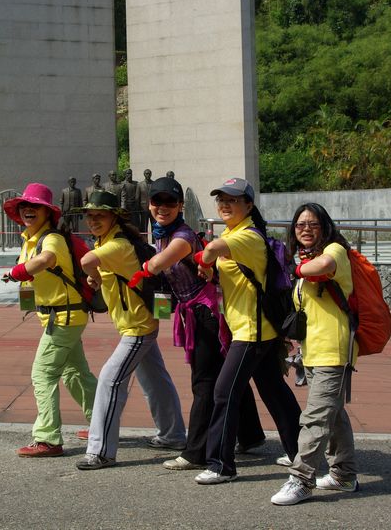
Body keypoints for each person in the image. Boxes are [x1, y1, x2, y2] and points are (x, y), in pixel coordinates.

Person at [125, 177, 265, 471]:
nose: (162, 208)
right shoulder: (162, 233)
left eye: (169, 203)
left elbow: (160, 262)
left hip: (207, 313)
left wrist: (143, 268)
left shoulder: (182, 236)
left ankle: (196, 452)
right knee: (222, 376)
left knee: (204, 382)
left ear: (180, 206)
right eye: (156, 202)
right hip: (199, 312)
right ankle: (251, 436)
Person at [192, 177, 301, 485]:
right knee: (274, 391)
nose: (225, 204)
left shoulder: (248, 236)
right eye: (221, 200)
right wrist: (211, 267)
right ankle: (300, 452)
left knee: (224, 392)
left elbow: (212, 248)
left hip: (250, 332)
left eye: (233, 200)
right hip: (256, 328)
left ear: (249, 205)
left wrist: (205, 260)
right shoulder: (236, 232)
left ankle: (220, 465)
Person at [75, 190, 186, 470]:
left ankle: (100, 451)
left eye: (100, 215)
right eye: (90, 215)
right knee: (156, 381)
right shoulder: (112, 241)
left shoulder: (116, 246)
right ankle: (173, 434)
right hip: (138, 323)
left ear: (114, 217)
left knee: (110, 382)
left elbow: (87, 261)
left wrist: (94, 276)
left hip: (137, 328)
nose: (93, 220)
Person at [270, 202, 359, 506]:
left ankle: (301, 479)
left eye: (313, 224)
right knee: (333, 415)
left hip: (334, 349)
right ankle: (344, 475)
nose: (306, 229)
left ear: (325, 227)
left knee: (315, 418)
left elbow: (321, 268)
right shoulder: (304, 260)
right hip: (313, 350)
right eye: (300, 225)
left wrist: (292, 267)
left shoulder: (335, 252)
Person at [1, 183, 98, 458]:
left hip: (64, 317)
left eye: (36, 207)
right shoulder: (31, 238)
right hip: (62, 316)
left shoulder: (50, 238)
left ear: (47, 213)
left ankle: (47, 439)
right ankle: (102, 423)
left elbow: (45, 260)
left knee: (42, 374)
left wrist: (15, 271)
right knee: (76, 374)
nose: (28, 210)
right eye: (25, 206)